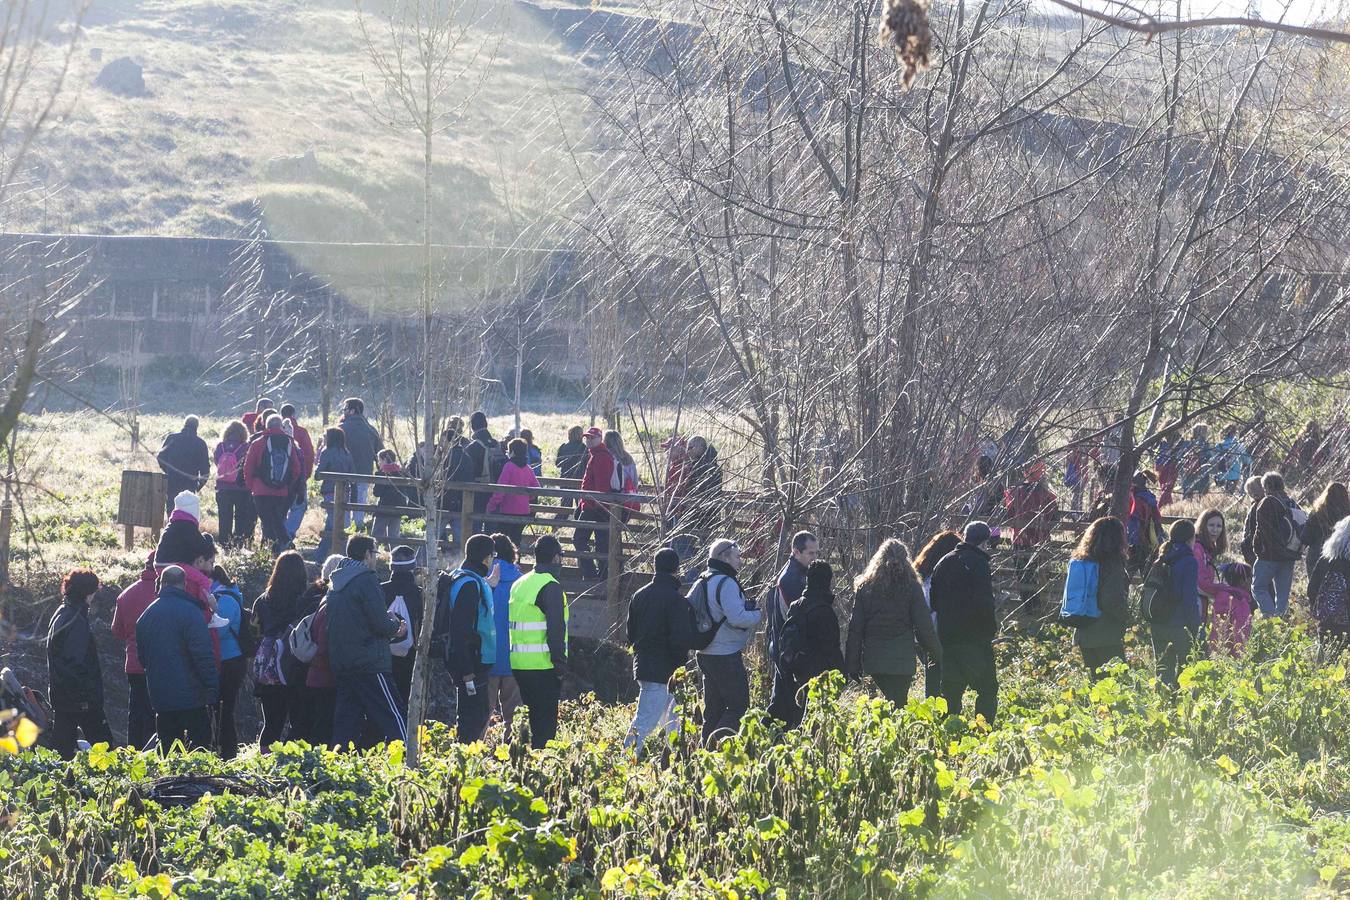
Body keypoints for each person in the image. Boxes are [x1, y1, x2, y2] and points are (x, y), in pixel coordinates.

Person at [328, 535, 408, 748]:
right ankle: (409, 759)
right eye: (374, 553)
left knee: (346, 721)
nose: (375, 558)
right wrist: (397, 629)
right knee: (394, 715)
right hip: (369, 661)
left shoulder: (336, 582)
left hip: (343, 661)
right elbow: (380, 623)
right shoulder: (366, 579)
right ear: (366, 555)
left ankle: (339, 767)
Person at [844, 538, 943, 706]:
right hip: (902, 660)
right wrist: (936, 653)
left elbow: (856, 629)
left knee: (881, 705)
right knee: (898, 703)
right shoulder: (912, 587)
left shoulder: (865, 588)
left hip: (875, 659)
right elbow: (923, 626)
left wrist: (852, 664)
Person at [137, 566, 219, 752]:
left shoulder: (146, 616)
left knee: (168, 752)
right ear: (184, 584)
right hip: (193, 698)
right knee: (200, 751)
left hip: (162, 698)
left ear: (161, 583)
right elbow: (203, 656)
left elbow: (143, 660)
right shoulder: (192, 613)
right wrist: (212, 688)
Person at [929, 522, 998, 724]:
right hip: (974, 639)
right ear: (983, 542)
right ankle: (983, 731)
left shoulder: (943, 562)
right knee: (987, 688)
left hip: (947, 638)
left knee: (951, 691)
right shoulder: (978, 564)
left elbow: (934, 601)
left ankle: (949, 731)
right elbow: (984, 602)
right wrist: (989, 630)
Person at [694, 539, 760, 747]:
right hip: (725, 654)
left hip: (705, 652)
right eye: (737, 556)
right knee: (739, 706)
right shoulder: (727, 583)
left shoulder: (703, 579)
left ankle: (705, 755)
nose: (740, 561)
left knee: (713, 709)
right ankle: (718, 748)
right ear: (724, 557)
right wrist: (756, 614)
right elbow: (737, 618)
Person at [624, 548, 689, 750]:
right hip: (665, 670)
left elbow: (630, 634)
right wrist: (681, 665)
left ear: (655, 566)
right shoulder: (676, 600)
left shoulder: (639, 595)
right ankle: (625, 758)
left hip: (645, 665)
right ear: (676, 569)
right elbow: (679, 639)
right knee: (645, 722)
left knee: (672, 721)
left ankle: (673, 759)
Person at [437, 533, 498, 743]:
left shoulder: (462, 577)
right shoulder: (470, 584)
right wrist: (467, 672)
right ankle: (463, 766)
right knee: (473, 719)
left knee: (474, 716)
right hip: (472, 662)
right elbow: (460, 630)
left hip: (470, 660)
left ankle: (462, 762)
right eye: (492, 556)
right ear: (486, 558)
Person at [509, 535, 569, 748]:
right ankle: (541, 770)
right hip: (543, 666)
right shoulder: (550, 586)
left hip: (518, 664)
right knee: (544, 729)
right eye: (561, 556)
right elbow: (555, 629)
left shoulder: (519, 583)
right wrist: (560, 663)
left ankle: (524, 764)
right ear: (555, 558)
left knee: (529, 724)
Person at [46, 569, 112, 758]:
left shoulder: (62, 612)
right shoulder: (76, 619)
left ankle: (57, 783)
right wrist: (87, 698)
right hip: (81, 699)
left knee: (60, 750)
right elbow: (74, 663)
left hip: (62, 696)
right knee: (105, 748)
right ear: (88, 593)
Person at [770, 561, 844, 729]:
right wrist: (842, 672)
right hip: (819, 673)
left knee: (801, 714)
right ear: (828, 581)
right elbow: (831, 647)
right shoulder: (824, 610)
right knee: (815, 719)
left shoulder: (796, 605)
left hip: (797, 669)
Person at [250, 550, 311, 748]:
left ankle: (266, 762)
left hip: (269, 669)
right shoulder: (306, 601)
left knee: (272, 723)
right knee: (300, 722)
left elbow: (254, 633)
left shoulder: (262, 600)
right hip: (298, 668)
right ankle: (293, 761)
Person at [1068, 517, 1131, 679]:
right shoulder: (1113, 563)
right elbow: (1111, 600)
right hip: (1105, 633)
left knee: (1096, 682)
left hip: (1083, 631)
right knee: (1118, 683)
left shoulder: (1080, 560)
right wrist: (1127, 617)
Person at [111, 551, 159, 750]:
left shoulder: (126, 594)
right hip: (158, 664)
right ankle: (153, 754)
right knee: (157, 713)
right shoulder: (164, 592)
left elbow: (117, 631)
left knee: (136, 711)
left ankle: (133, 753)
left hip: (133, 664)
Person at [243, 413, 306, 554]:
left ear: (266, 425)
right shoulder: (289, 443)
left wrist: (252, 487)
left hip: (260, 491)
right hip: (281, 492)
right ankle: (279, 548)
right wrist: (287, 485)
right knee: (277, 520)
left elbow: (248, 468)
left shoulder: (258, 442)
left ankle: (272, 552)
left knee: (267, 522)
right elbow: (297, 469)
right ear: (281, 426)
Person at [1149, 520, 1201, 689]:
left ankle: (1161, 706)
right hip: (1179, 624)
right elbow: (1189, 599)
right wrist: (1196, 628)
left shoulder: (1162, 557)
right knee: (1187, 670)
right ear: (1190, 539)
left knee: (1163, 669)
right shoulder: (1189, 561)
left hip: (1157, 622)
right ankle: (1178, 706)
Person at [303, 554, 346, 748]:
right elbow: (325, 643)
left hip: (309, 671)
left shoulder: (309, 596)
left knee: (312, 723)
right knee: (324, 725)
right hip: (325, 673)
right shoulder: (331, 602)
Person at [1003, 462, 1059, 610]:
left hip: (1021, 540)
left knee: (1023, 575)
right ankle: (1037, 608)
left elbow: (1009, 515)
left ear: (1025, 472)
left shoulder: (1014, 493)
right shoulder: (1047, 494)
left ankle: (1028, 608)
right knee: (1038, 575)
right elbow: (1054, 517)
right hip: (1039, 541)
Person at [912, 531, 960, 697]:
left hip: (919, 634)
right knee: (937, 678)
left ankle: (934, 713)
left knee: (933, 675)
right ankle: (938, 714)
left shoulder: (920, 574)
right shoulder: (941, 576)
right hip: (936, 633)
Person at [1251, 471, 1304, 617]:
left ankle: (1270, 620)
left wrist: (1259, 549)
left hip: (1269, 555)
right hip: (1290, 554)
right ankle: (1282, 622)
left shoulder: (1268, 502)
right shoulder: (1292, 503)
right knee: (1282, 595)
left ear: (1267, 486)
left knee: (1259, 587)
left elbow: (1262, 530)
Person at [487, 533, 523, 735]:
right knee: (514, 717)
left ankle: (473, 758)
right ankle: (511, 757)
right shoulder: (520, 581)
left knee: (481, 715)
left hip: (487, 657)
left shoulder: (481, 579)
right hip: (514, 658)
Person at [669, 436, 724, 569]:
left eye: (691, 447)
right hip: (709, 516)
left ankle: (692, 577)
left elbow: (694, 491)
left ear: (701, 448)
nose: (688, 451)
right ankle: (702, 576)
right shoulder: (714, 467)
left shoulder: (698, 468)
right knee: (706, 550)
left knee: (680, 544)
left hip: (696, 515)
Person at [768, 532, 819, 673]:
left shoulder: (802, 573)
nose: (815, 558)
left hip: (788, 649)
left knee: (780, 694)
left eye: (816, 553)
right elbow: (800, 618)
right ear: (796, 552)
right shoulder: (792, 579)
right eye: (810, 553)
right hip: (791, 652)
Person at [210, 563, 247, 760]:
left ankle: (227, 753)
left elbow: (219, 630)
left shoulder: (224, 599)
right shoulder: (229, 595)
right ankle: (225, 751)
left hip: (229, 661)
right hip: (230, 659)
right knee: (222, 710)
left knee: (224, 711)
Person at [382, 545, 424, 705]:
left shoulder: (380, 590)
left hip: (382, 656)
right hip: (411, 657)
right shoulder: (420, 593)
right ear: (413, 568)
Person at [574, 427, 617, 580]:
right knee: (600, 543)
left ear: (600, 439)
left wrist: (591, 504)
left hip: (595, 507)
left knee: (582, 539)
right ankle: (599, 575)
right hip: (594, 505)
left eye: (592, 438)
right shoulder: (595, 455)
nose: (589, 440)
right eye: (587, 438)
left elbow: (602, 486)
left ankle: (594, 575)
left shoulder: (601, 457)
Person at [487, 439, 541, 547]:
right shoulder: (528, 468)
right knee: (516, 541)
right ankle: (515, 562)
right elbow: (537, 488)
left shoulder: (509, 466)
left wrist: (491, 505)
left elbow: (500, 490)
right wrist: (527, 498)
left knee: (502, 541)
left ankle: (502, 562)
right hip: (524, 511)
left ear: (512, 452)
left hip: (508, 510)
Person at [313, 427, 356, 560]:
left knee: (333, 525)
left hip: (330, 491)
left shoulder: (327, 452)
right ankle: (329, 554)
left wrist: (317, 473)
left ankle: (323, 556)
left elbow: (318, 474)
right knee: (338, 522)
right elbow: (353, 474)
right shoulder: (347, 453)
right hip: (345, 492)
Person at [339, 398, 384, 526]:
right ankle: (358, 527)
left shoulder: (341, 429)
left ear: (352, 411)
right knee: (360, 501)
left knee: (344, 501)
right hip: (364, 473)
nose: (344, 412)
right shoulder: (371, 430)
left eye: (345, 409)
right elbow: (381, 454)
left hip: (344, 473)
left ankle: (344, 528)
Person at [156, 416, 211, 517]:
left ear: (184, 424)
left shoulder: (172, 438)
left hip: (172, 482)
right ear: (197, 427)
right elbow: (205, 470)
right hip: (190, 484)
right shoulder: (200, 443)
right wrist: (198, 486)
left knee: (171, 512)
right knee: (187, 514)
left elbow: (160, 457)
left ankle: (171, 531)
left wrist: (168, 471)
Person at [212, 420, 253, 547]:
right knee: (240, 517)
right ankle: (238, 544)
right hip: (241, 488)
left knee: (224, 518)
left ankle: (224, 544)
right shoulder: (246, 447)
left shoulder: (221, 446)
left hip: (222, 487)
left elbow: (217, 461)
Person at [1310, 516, 1350, 644]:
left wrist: (1317, 609)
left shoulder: (1327, 558)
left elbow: (1312, 587)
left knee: (1325, 660)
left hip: (1326, 623)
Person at [1303, 483, 1350, 578]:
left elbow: (1305, 537)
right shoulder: (1347, 515)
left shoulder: (1318, 513)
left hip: (1316, 555)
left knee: (1315, 587)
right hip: (1342, 557)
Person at [465, 410, 504, 524]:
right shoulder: (496, 444)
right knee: (492, 525)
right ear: (485, 424)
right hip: (497, 489)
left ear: (472, 426)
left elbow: (470, 471)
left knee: (475, 524)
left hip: (478, 491)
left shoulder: (473, 447)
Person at [1193, 508, 1228, 631]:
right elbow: (1199, 583)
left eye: (1219, 526)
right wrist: (1222, 590)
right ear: (1203, 526)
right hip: (1193, 601)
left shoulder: (1208, 549)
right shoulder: (1198, 548)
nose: (1215, 530)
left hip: (1201, 600)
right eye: (1211, 525)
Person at [1210, 562, 1254, 654]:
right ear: (1243, 581)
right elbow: (1241, 629)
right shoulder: (1240, 600)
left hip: (1216, 650)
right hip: (1233, 654)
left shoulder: (1221, 596)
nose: (1251, 582)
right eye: (1251, 578)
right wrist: (1241, 654)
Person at [1126, 472, 1166, 574]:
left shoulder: (1136, 501)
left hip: (1136, 545)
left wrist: (1130, 543)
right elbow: (1157, 520)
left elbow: (1133, 524)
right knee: (1148, 577)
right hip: (1150, 543)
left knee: (1125, 578)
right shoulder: (1150, 499)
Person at [155, 490, 207, 567]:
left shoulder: (173, 524)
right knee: (202, 579)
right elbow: (201, 545)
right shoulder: (188, 525)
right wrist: (209, 542)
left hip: (159, 564)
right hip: (175, 565)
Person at [372, 449, 412, 544]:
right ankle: (395, 557)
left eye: (380, 460)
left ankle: (373, 556)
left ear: (385, 459)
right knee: (394, 537)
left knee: (376, 535)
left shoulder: (382, 474)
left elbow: (376, 493)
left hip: (384, 508)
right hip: (398, 509)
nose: (379, 463)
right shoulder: (401, 473)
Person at [1211, 425, 1251, 494]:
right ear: (1234, 433)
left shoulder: (1219, 445)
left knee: (1219, 496)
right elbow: (1246, 459)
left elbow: (1213, 459)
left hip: (1220, 474)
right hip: (1234, 474)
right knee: (1229, 495)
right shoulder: (1238, 445)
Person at [1239, 475, 1265, 565]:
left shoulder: (1258, 506)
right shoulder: (1267, 503)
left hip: (1255, 546)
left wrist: (1245, 543)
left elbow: (1251, 528)